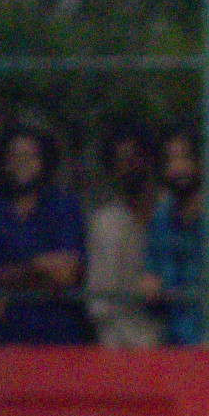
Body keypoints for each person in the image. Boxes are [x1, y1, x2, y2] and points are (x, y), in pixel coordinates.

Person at [0, 123, 90, 345]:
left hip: (59, 329)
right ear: (3, 161)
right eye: (15, 156)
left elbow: (68, 275)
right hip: (3, 330)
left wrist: (15, 275)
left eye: (30, 156)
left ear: (44, 161)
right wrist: (38, 266)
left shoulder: (65, 206)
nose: (22, 163)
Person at [140, 130, 209, 345]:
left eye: (185, 158)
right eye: (172, 160)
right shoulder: (161, 219)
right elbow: (151, 275)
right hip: (176, 344)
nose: (179, 168)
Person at [85, 128, 163, 349]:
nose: (131, 165)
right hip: (123, 346)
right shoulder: (106, 223)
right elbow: (102, 305)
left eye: (136, 157)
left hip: (170, 340)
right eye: (123, 160)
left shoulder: (166, 215)